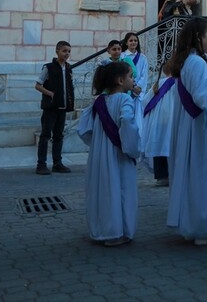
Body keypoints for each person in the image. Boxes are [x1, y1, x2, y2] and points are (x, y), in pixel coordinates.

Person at [164, 16, 207, 245]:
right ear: (197, 37)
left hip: (193, 126)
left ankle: (197, 227)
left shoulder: (190, 61)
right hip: (202, 128)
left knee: (196, 176)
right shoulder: (198, 63)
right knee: (205, 175)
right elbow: (204, 97)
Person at [77, 60, 141, 247]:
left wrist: (97, 143)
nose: (133, 80)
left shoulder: (99, 102)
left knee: (103, 189)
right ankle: (118, 231)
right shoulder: (125, 99)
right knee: (121, 189)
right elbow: (128, 123)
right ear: (120, 80)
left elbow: (84, 129)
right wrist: (133, 147)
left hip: (100, 155)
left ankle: (103, 229)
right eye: (131, 76)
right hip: (119, 154)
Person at [34, 41, 75, 175]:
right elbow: (38, 85)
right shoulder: (49, 67)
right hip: (51, 107)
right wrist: (50, 94)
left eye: (68, 51)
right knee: (46, 135)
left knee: (59, 135)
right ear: (57, 51)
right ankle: (41, 164)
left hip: (62, 107)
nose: (67, 54)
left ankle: (57, 163)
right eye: (64, 51)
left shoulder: (68, 68)